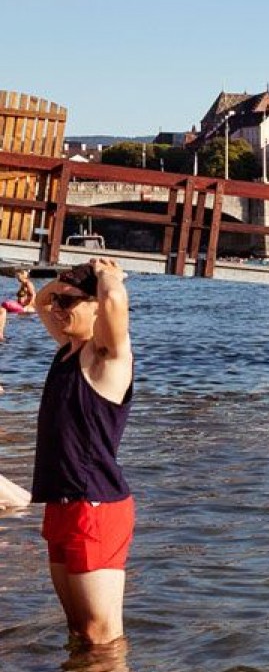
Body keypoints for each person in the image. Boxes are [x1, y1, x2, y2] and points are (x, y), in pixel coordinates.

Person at [29, 259, 135, 647]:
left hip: (95, 506)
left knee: (101, 635)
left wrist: (108, 275)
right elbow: (39, 303)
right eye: (60, 299)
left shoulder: (107, 356)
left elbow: (114, 303)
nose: (58, 308)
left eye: (69, 302)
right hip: (60, 503)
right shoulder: (68, 350)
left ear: (95, 306)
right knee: (77, 631)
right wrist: (63, 283)